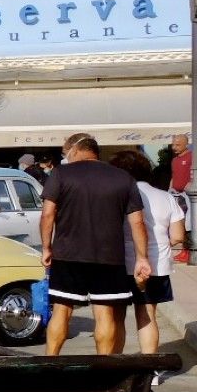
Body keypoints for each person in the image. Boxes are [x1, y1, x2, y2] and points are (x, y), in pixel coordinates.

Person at [41, 132, 151, 357]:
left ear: (76, 149)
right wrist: (142, 257)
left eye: (65, 152)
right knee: (105, 314)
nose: (65, 157)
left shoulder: (60, 174)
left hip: (68, 254)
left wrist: (46, 247)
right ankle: (103, 369)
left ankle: (50, 362)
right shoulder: (123, 178)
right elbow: (137, 221)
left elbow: (48, 214)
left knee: (62, 311)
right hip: (109, 256)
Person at [111, 149, 185, 361]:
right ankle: (150, 369)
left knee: (117, 317)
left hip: (122, 262)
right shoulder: (166, 197)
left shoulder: (120, 196)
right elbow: (178, 236)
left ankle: (115, 365)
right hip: (157, 263)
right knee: (147, 315)